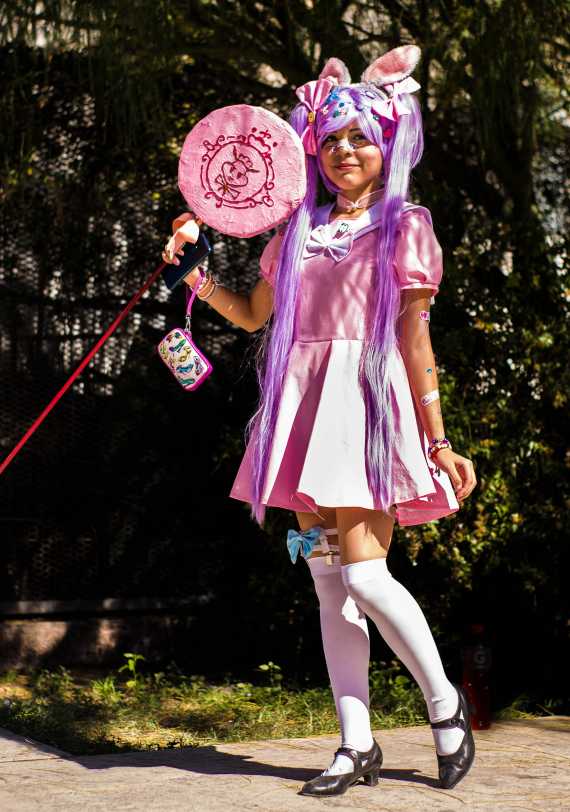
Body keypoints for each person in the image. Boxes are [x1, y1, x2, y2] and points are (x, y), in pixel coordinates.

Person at [163, 44, 477, 798]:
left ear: (387, 144)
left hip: (366, 414)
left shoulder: (405, 226)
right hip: (302, 418)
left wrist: (437, 439)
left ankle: (445, 704)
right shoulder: (297, 232)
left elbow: (415, 340)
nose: (344, 151)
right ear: (314, 148)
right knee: (330, 585)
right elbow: (252, 315)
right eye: (331, 138)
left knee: (366, 575)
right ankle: (355, 745)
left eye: (361, 138)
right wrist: (192, 276)